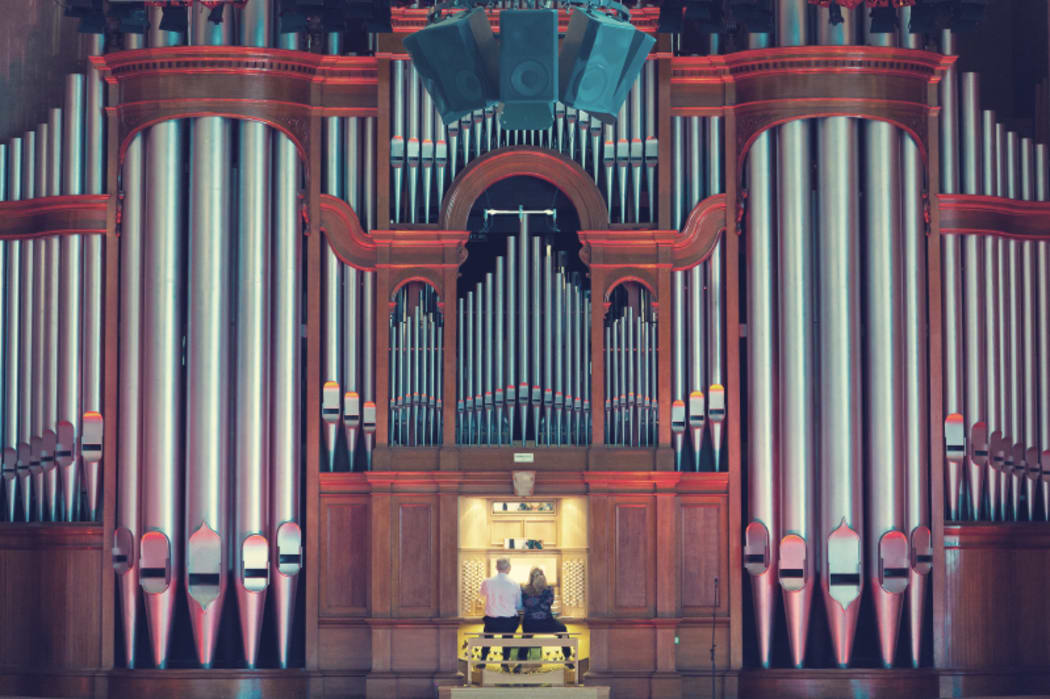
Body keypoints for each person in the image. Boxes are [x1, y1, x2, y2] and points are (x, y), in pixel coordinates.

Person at [517, 567, 572, 666]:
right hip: (547, 623)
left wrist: (536, 592)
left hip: (530, 624)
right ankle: (567, 657)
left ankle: (521, 661)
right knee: (562, 629)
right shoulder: (549, 589)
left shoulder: (524, 590)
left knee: (526, 636)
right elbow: (549, 603)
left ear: (531, 577)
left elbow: (525, 604)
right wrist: (541, 589)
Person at [479, 557, 522, 669]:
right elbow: (518, 605)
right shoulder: (515, 584)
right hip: (509, 623)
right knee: (508, 636)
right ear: (509, 568)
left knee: (487, 634)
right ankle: (505, 661)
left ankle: (483, 659)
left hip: (492, 622)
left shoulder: (487, 582)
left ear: (496, 568)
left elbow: (482, 594)